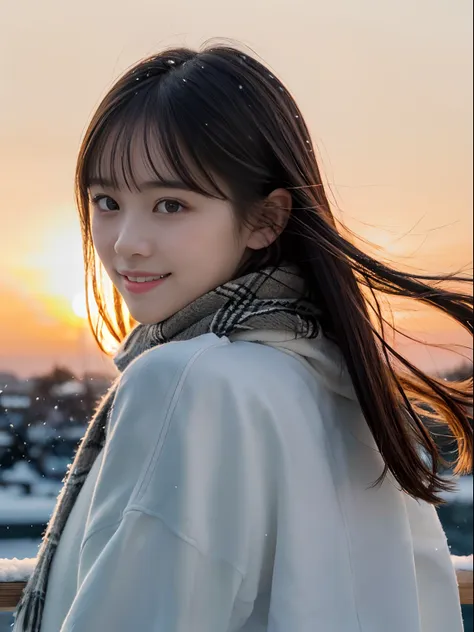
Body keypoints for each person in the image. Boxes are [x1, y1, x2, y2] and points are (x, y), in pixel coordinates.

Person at [13, 45, 472, 632]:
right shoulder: (335, 378)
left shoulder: (185, 381)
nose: (126, 241)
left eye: (170, 204)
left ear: (266, 219)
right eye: (107, 202)